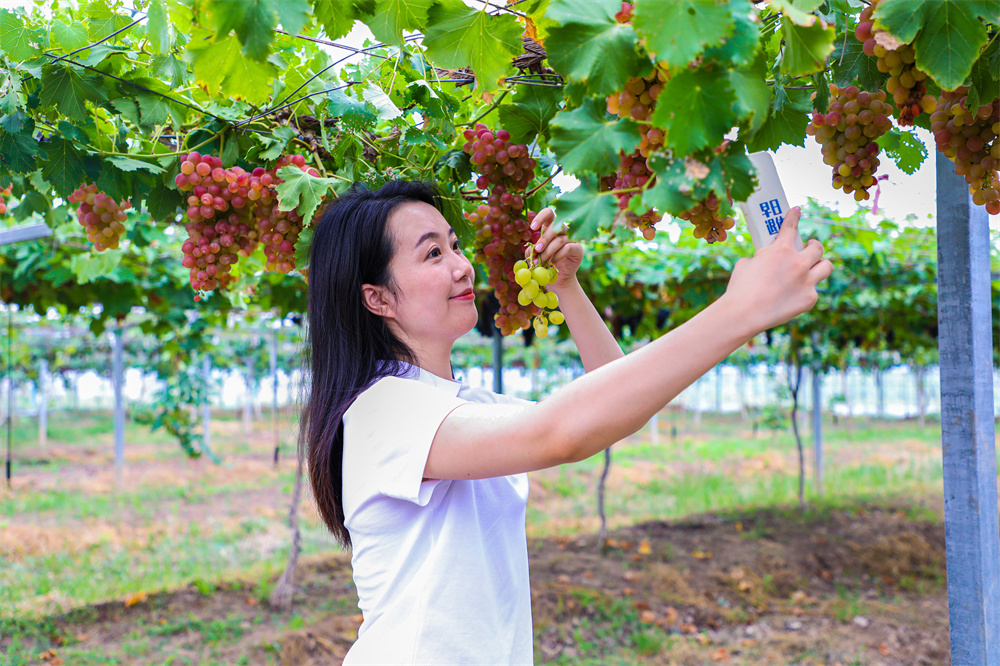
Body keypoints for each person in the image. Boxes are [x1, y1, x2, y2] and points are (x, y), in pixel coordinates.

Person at [303, 180, 832, 665]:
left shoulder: (463, 403)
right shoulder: (384, 409)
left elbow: (613, 405)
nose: (462, 266)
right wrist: (740, 310)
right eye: (433, 253)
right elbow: (563, 434)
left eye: (456, 245)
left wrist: (567, 289)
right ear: (377, 298)